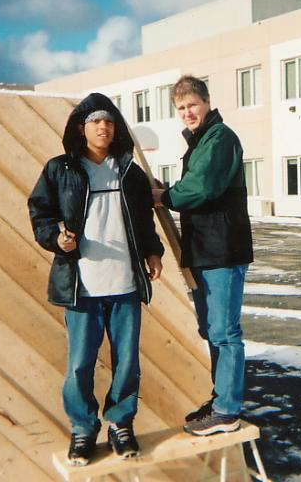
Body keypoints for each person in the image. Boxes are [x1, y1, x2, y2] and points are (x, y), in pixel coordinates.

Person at [28, 92, 164, 466]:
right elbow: (40, 214)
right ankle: (83, 430)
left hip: (125, 285)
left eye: (109, 121)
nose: (103, 127)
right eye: (95, 121)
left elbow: (144, 223)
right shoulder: (60, 169)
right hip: (81, 286)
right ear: (80, 128)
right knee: (80, 363)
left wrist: (153, 252)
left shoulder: (129, 172)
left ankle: (121, 425)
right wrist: (56, 237)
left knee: (126, 362)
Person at [152, 75, 253, 436]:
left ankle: (227, 410)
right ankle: (221, 398)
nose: (187, 113)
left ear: (207, 102)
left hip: (222, 250)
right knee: (212, 331)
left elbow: (203, 186)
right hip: (206, 250)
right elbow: (196, 185)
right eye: (181, 108)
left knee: (225, 333)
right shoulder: (201, 141)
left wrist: (166, 197)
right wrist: (169, 192)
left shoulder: (219, 138)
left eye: (192, 105)